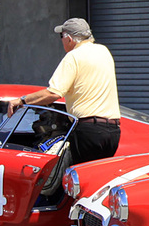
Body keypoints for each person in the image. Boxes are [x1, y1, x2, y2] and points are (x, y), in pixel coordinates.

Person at [7, 18, 121, 166]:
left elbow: (54, 93)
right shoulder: (103, 51)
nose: (61, 41)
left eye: (61, 36)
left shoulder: (73, 57)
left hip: (88, 130)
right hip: (113, 131)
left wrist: (22, 100)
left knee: (79, 181)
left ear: (69, 38)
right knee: (99, 181)